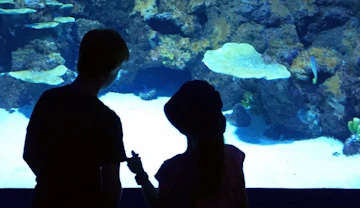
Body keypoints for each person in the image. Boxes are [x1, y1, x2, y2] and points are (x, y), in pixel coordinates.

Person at [23, 29, 130, 208]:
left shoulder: (48, 99)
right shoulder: (107, 119)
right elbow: (112, 184)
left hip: (45, 200)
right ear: (111, 71)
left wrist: (51, 183)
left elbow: (29, 154)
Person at [127, 80, 249, 208]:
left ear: (181, 127)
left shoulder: (173, 169)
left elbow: (159, 205)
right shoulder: (234, 157)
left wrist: (140, 174)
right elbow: (241, 202)